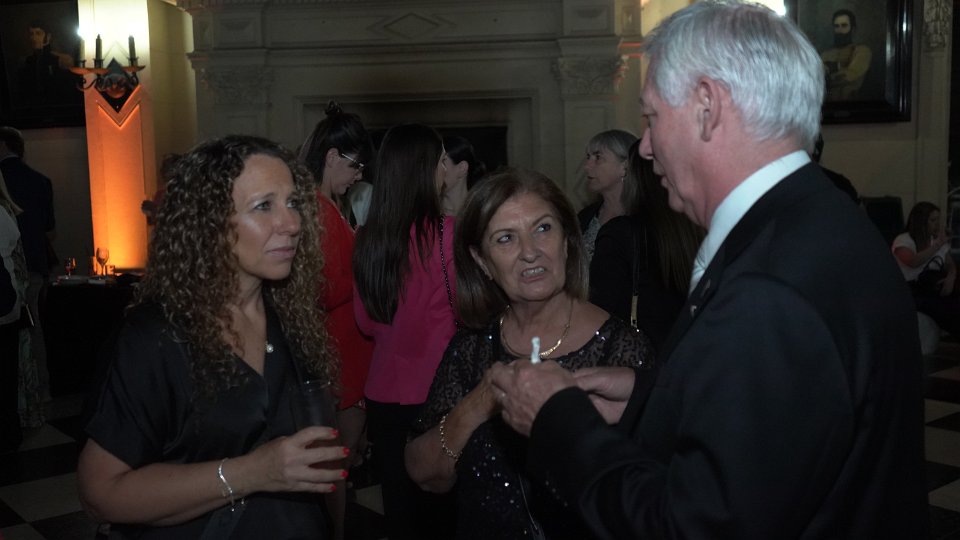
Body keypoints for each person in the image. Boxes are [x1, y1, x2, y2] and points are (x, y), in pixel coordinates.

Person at [489, 2, 928, 538]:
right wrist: (649, 398)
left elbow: (694, 527)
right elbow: (779, 431)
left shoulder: (770, 289)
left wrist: (558, 420)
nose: (645, 148)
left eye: (651, 118)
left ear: (706, 106)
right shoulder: (823, 219)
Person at [77, 135, 346, 539]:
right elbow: (101, 493)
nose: (292, 224)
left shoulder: (291, 316)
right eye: (264, 206)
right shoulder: (158, 337)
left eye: (292, 203)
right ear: (211, 223)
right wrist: (252, 472)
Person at [405, 168, 654, 539]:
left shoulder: (623, 351)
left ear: (567, 241)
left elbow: (656, 502)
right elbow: (425, 474)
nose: (530, 251)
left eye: (543, 229)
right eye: (506, 238)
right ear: (482, 261)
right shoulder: (473, 348)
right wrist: (482, 400)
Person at [352, 123, 457, 540]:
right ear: (424, 169)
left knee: (399, 508)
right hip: (439, 389)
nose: (446, 168)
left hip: (383, 392)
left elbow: (365, 323)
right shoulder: (448, 234)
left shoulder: (366, 238)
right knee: (442, 509)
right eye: (441, 159)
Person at [298, 101, 375, 526]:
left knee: (339, 465)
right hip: (338, 357)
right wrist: (365, 261)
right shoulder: (318, 208)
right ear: (332, 157)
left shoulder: (328, 206)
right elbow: (322, 291)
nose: (359, 175)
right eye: (355, 165)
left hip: (344, 353)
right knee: (335, 468)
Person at [588, 142, 703, 348]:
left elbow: (599, 310)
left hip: (639, 355)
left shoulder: (620, 233)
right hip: (687, 349)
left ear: (635, 179)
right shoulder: (694, 228)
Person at [0, 126, 54, 405]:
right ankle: (41, 391)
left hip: (8, 270)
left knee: (13, 336)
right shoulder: (41, 181)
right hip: (35, 265)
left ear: (3, 145)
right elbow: (49, 226)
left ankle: (20, 399)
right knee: (34, 328)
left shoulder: (3, 179)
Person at [893, 201, 959, 338]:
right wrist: (937, 245)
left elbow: (950, 264)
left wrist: (951, 277)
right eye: (933, 220)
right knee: (943, 309)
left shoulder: (936, 241)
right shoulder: (904, 240)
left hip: (934, 285)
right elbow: (913, 261)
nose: (937, 224)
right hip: (912, 289)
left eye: (938, 220)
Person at [577, 129, 637, 263]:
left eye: (598, 158)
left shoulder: (645, 219)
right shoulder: (585, 217)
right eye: (588, 157)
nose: (587, 166)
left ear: (624, 167)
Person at [0, 173, 26, 453]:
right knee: (7, 372)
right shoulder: (4, 213)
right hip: (7, 301)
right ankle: (10, 431)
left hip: (4, 300)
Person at [16, 20, 80, 108]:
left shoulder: (63, 60)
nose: (34, 38)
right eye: (31, 34)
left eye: (38, 34)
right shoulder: (26, 61)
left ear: (48, 36)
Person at [820, 9, 872, 101]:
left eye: (844, 26)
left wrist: (830, 71)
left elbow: (849, 76)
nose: (839, 30)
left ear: (853, 29)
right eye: (836, 26)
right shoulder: (825, 54)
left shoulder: (862, 51)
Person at [440, 135, 487, 216]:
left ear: (462, 168)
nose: (435, 169)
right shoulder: (426, 213)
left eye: (442, 161)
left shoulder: (482, 212)